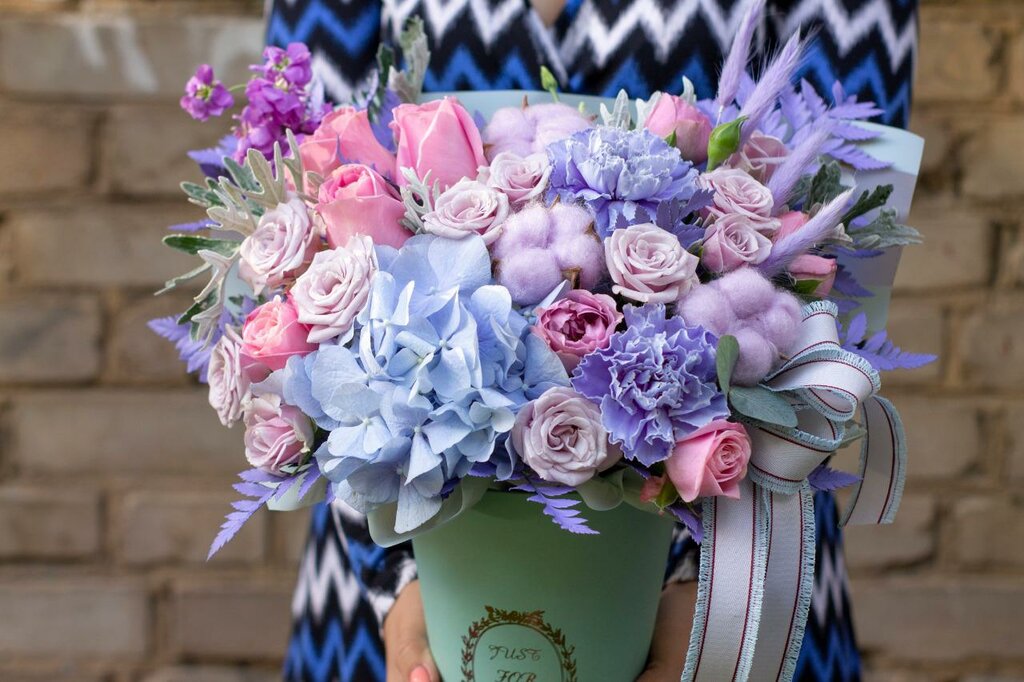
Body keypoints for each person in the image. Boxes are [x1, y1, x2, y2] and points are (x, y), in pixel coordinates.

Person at [267, 1, 918, 680]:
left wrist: (708, 599)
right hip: (399, 598)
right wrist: (399, 585)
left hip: (739, 586)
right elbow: (309, 251)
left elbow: (842, 247)